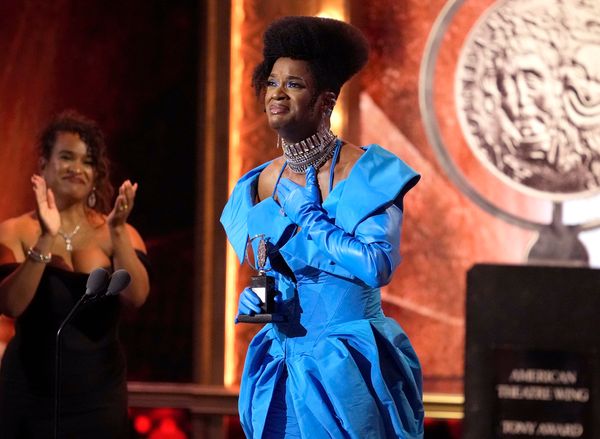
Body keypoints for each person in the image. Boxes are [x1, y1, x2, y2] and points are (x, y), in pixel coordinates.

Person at [221, 16, 424, 438]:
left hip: (347, 369)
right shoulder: (259, 182)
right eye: (272, 82)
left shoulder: (368, 171)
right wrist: (263, 298)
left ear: (325, 101)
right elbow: (268, 271)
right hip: (284, 366)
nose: (277, 93)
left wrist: (312, 218)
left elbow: (376, 266)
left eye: (294, 84)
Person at [0, 110, 150, 438]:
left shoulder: (117, 233)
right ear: (43, 164)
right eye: (67, 157)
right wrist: (45, 237)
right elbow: (11, 305)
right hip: (27, 395)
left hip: (98, 398)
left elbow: (136, 296)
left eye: (87, 161)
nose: (78, 169)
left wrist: (118, 231)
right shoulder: (14, 231)